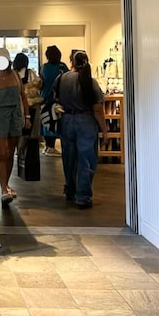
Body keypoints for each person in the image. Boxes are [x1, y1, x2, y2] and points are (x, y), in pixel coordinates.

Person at [56, 50, 108, 209]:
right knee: (86, 159)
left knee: (69, 158)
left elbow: (54, 97)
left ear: (71, 62)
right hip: (86, 122)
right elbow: (97, 109)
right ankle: (83, 197)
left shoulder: (62, 78)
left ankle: (70, 189)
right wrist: (104, 130)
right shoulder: (90, 81)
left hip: (66, 120)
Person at [0, 48, 30, 205]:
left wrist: (27, 116)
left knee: (11, 153)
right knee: (3, 153)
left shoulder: (15, 76)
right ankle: (3, 189)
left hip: (15, 116)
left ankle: (6, 184)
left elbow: (23, 97)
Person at [12, 52, 43, 180]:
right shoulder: (31, 74)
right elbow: (39, 84)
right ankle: (25, 159)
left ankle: (18, 152)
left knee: (19, 134)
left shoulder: (12, 74)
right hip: (32, 108)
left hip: (17, 109)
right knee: (30, 137)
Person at [39, 45, 69, 155]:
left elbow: (40, 82)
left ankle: (48, 146)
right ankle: (51, 147)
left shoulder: (43, 67)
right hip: (57, 99)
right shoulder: (62, 67)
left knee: (46, 121)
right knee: (56, 122)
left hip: (44, 98)